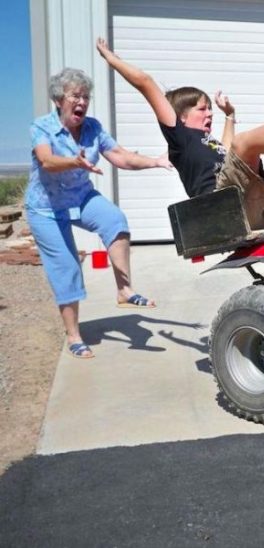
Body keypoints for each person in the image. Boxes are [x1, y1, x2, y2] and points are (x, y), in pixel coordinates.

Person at [95, 38, 264, 228]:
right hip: (223, 206)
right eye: (202, 109)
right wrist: (111, 58)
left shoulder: (209, 142)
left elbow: (228, 154)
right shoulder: (179, 138)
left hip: (256, 204)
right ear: (181, 116)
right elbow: (146, 83)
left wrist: (229, 115)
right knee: (243, 144)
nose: (209, 114)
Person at [27, 67, 173, 359]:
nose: (81, 101)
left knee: (114, 219)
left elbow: (120, 156)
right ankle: (74, 336)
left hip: (80, 197)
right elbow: (46, 161)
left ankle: (125, 290)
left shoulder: (92, 128)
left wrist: (155, 161)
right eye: (75, 96)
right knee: (67, 268)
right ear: (59, 100)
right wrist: (74, 162)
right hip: (46, 208)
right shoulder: (41, 127)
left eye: (85, 96)